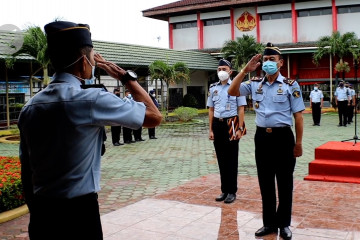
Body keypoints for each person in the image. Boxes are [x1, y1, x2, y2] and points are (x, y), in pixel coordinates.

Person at [18, 21, 162, 240]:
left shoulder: (31, 106)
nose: (95, 62)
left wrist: (35, 215)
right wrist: (125, 77)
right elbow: (154, 117)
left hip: (42, 213)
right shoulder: (91, 100)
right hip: (78, 213)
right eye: (93, 57)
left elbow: (26, 169)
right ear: (84, 61)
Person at [228, 43, 305, 240]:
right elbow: (232, 91)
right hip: (262, 138)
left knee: (285, 182)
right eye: (266, 59)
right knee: (265, 182)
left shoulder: (290, 85)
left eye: (272, 60)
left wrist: (299, 143)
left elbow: (298, 116)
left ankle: (284, 224)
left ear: (281, 63)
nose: (268, 63)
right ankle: (269, 224)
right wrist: (245, 70)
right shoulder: (254, 83)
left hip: (284, 138)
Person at [207, 59, 247, 204]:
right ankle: (224, 190)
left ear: (230, 71)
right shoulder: (213, 88)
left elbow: (241, 108)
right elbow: (211, 109)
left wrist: (240, 128)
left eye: (224, 68)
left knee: (231, 159)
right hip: (218, 124)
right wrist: (211, 129)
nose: (221, 71)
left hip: (232, 123)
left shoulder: (237, 86)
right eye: (219, 69)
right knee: (221, 159)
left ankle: (232, 191)